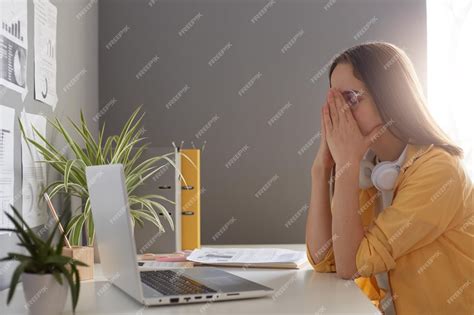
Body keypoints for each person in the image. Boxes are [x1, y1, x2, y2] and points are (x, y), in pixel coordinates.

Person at [305, 41, 473, 315]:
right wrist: (321, 169)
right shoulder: (370, 169)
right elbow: (326, 259)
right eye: (334, 102)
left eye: (350, 99)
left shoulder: (439, 172)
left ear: (390, 97)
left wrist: (346, 164)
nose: (341, 114)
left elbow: (350, 266)